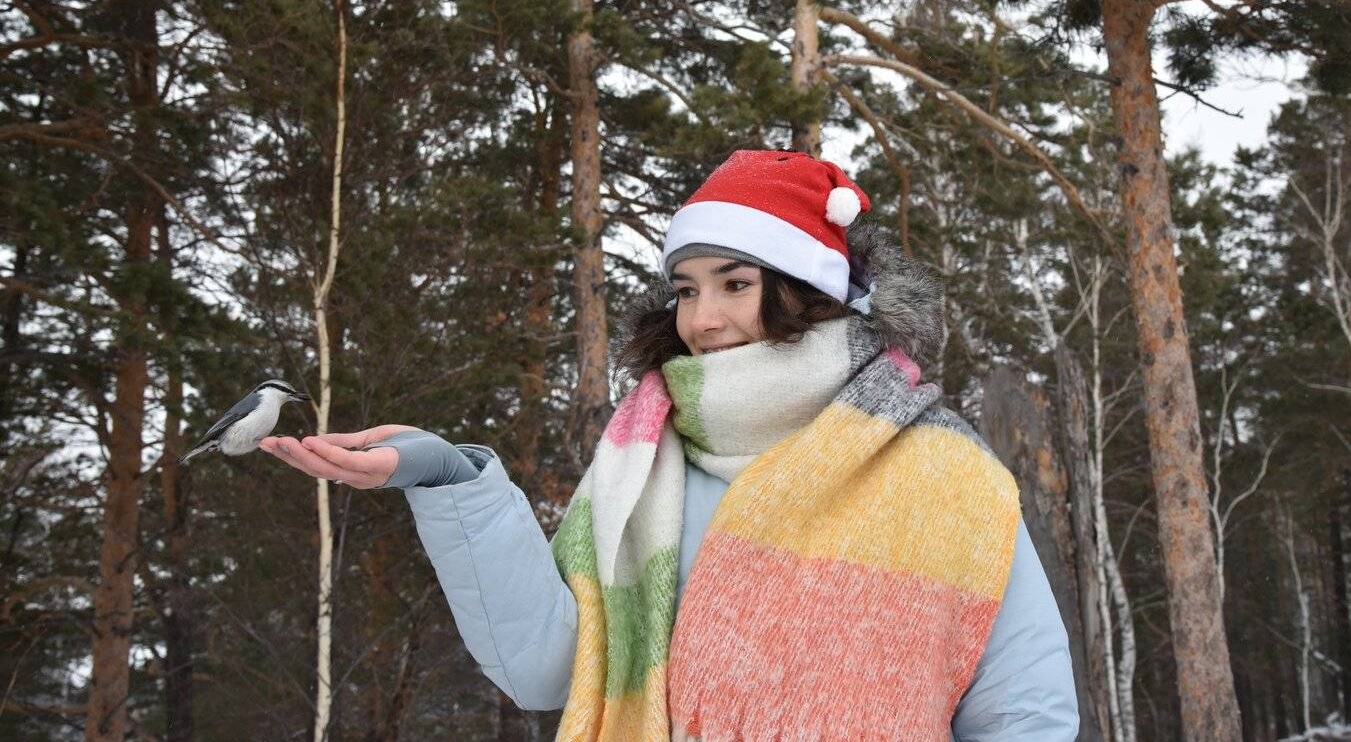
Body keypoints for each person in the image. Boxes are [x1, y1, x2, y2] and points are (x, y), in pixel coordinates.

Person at [262, 149, 1079, 741]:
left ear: (809, 293)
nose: (702, 319)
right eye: (686, 290)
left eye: (736, 284)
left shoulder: (942, 472)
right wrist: (450, 480)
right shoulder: (646, 457)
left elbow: (1024, 712)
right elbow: (545, 667)